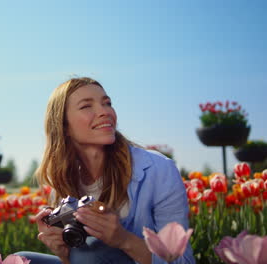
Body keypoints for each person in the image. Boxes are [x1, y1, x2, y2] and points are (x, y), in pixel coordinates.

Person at [16, 77, 194, 264]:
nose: (104, 112)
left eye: (107, 103)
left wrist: (123, 239)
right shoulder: (65, 180)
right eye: (86, 106)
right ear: (64, 126)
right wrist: (63, 253)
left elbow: (182, 261)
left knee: (92, 252)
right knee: (20, 260)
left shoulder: (158, 169)